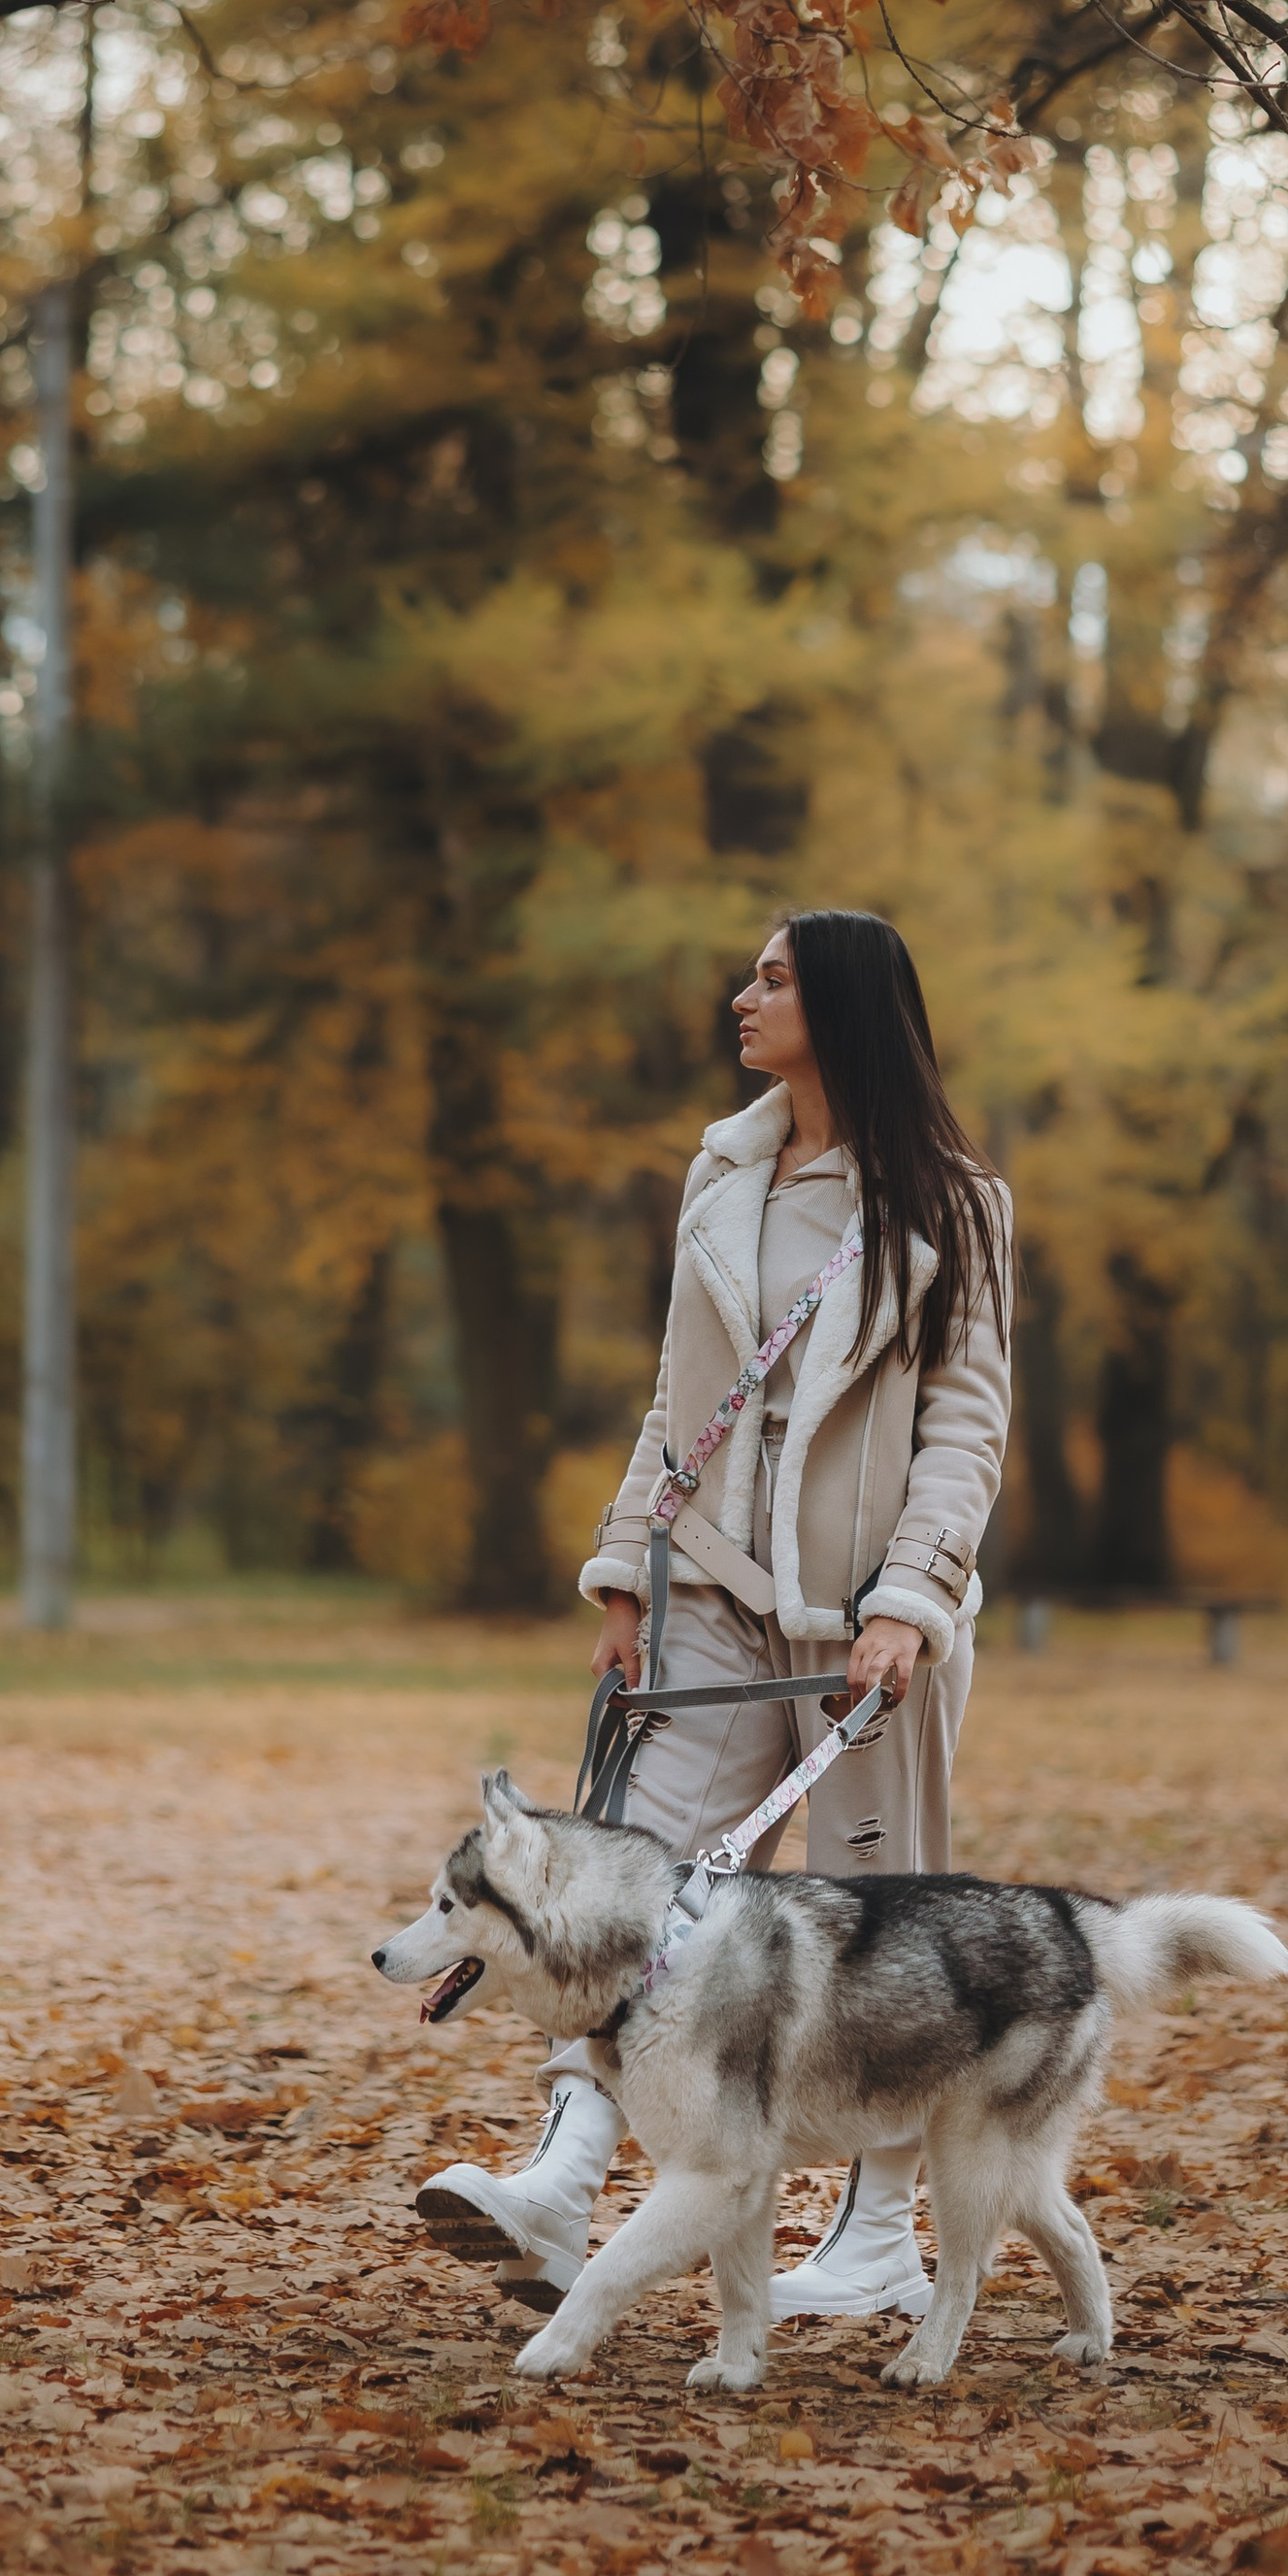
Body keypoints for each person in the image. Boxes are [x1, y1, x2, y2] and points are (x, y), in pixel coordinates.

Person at [413, 906, 1011, 2325]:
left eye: (776, 978)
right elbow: (682, 1402)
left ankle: (874, 2238)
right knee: (631, 1890)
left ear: (847, 1006)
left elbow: (966, 1424)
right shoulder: (724, 1171)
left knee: (880, 1935)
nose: (743, 997)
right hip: (710, 1605)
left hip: (872, 1630)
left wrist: (914, 1600)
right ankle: (561, 2184)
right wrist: (627, 1570)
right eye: (752, 973)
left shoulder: (954, 1203)